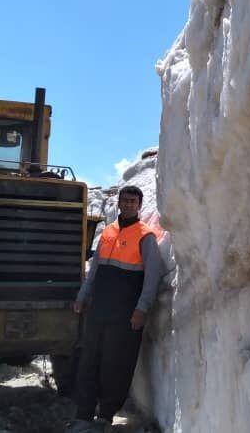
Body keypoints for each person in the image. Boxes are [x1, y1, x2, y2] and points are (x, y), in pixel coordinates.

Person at [67, 185, 167, 431]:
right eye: (125, 200)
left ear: (139, 205)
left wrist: (142, 309)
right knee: (89, 359)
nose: (128, 204)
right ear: (119, 203)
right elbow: (96, 270)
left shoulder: (146, 236)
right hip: (99, 309)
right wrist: (82, 296)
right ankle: (83, 413)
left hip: (125, 314)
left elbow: (153, 277)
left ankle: (106, 415)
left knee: (116, 364)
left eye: (133, 201)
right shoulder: (108, 233)